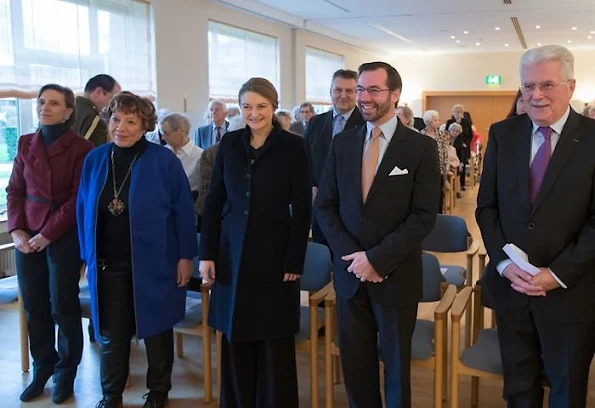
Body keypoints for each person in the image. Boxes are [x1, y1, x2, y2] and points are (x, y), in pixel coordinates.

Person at [315, 61, 440, 407]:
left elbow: (424, 217)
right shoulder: (343, 144)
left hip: (395, 274)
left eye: (373, 89)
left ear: (394, 95)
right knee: (356, 363)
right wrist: (355, 258)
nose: (363, 97)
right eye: (360, 89)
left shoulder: (420, 148)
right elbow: (325, 205)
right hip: (350, 274)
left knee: (397, 366)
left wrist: (377, 259)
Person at [476, 45, 595, 408]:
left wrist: (555, 274)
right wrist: (504, 264)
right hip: (512, 290)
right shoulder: (503, 134)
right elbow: (487, 208)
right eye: (528, 86)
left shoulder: (592, 138)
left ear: (571, 86)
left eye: (547, 84)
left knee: (566, 388)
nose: (536, 95)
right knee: (518, 388)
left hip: (570, 293)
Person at [77, 92, 197, 408]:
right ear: (108, 121)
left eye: (131, 121)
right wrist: (84, 256)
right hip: (107, 263)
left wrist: (186, 256)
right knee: (112, 335)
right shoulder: (95, 159)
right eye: (117, 119)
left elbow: (183, 210)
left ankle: (158, 391)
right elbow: (82, 209)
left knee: (156, 329)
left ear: (145, 125)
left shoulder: (163, 161)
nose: (122, 128)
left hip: (155, 261)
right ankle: (111, 395)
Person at [199, 77, 311, 407]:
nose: (254, 113)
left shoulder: (293, 145)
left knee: (274, 340)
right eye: (247, 106)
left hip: (275, 255)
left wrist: (295, 259)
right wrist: (207, 254)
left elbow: (303, 206)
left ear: (273, 107)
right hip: (231, 253)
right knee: (235, 337)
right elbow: (214, 200)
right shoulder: (230, 144)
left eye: (261, 106)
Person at [7, 84, 94, 403]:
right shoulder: (26, 142)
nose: (44, 107)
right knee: (34, 306)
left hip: (61, 235)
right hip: (26, 234)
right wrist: (17, 230)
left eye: (53, 103)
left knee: (62, 306)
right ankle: (43, 366)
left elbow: (77, 199)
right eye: (41, 102)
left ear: (68, 111)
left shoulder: (81, 147)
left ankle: (66, 372)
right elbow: (14, 190)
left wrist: (47, 234)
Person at [304, 69, 365, 246]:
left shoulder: (366, 123)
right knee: (322, 257)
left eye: (349, 91)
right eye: (338, 90)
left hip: (353, 207)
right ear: (330, 92)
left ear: (357, 93)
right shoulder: (316, 123)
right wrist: (311, 185)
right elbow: (305, 159)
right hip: (320, 204)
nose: (343, 95)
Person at [160, 112, 203, 194]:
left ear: (181, 132)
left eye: (166, 133)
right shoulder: (162, 152)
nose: (162, 137)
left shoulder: (199, 155)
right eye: (162, 133)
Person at [74, 74, 121, 147]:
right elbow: (96, 155)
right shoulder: (94, 121)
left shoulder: (68, 107)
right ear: (98, 92)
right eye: (112, 99)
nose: (113, 105)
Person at [421, 109, 450, 212]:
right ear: (428, 121)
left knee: (438, 194)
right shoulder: (421, 134)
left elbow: (445, 151)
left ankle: (439, 214)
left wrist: (446, 167)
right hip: (424, 169)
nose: (438, 122)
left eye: (438, 120)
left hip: (439, 169)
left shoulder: (441, 135)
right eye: (435, 120)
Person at [446, 104, 472, 191]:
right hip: (452, 145)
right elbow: (446, 133)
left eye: (458, 112)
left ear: (462, 113)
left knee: (462, 164)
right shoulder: (449, 121)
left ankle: (462, 184)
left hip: (463, 145)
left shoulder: (466, 122)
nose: (457, 114)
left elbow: (470, 135)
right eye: (455, 112)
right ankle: (452, 184)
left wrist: (465, 143)